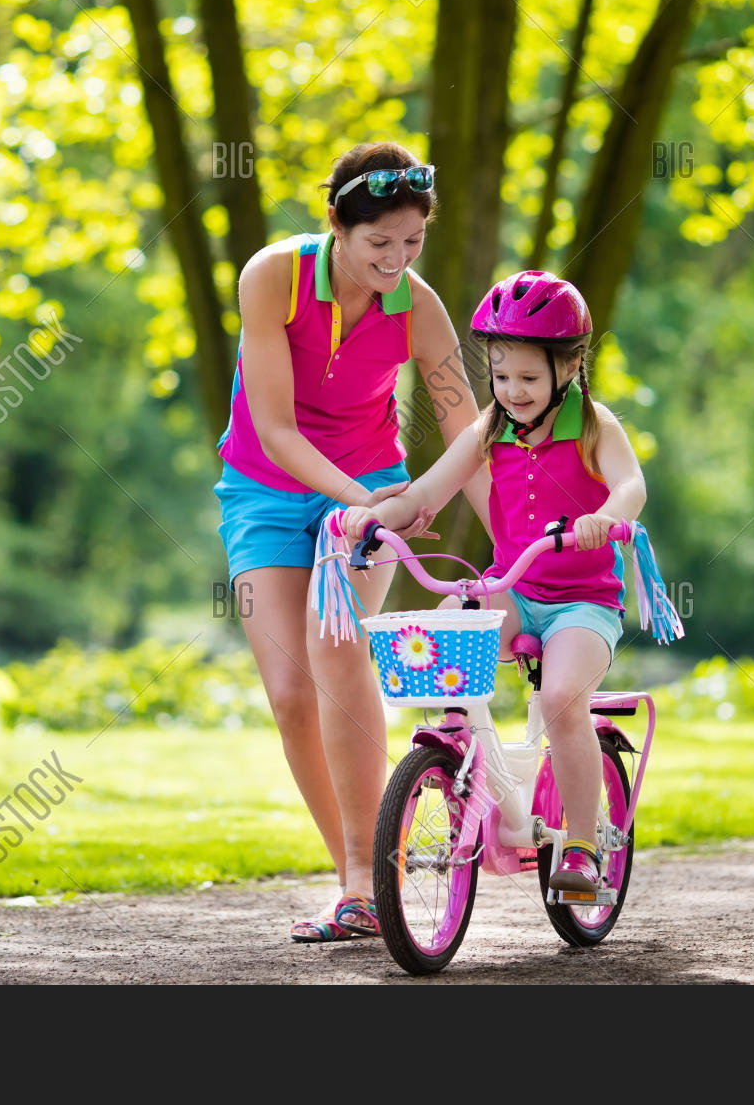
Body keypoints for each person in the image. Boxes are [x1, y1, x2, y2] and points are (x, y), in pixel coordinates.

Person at [215, 142, 488, 940]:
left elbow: (467, 430)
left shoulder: (418, 307)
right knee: (290, 694)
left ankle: (365, 887)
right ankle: (362, 879)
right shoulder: (272, 277)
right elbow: (275, 428)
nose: (397, 260)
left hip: (369, 486)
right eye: (379, 243)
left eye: (413, 242)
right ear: (336, 225)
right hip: (266, 492)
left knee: (334, 647)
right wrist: (366, 502)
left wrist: (514, 537)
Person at [340, 270, 647, 896]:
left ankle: (582, 847)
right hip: (513, 589)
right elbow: (426, 492)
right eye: (501, 376)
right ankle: (459, 757)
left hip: (583, 604)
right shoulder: (489, 429)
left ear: (570, 366)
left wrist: (605, 518)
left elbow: (631, 485)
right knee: (446, 637)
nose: (513, 391)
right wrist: (375, 518)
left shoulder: (596, 426)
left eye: (529, 378)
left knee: (561, 699)